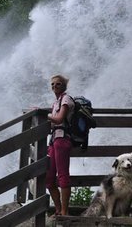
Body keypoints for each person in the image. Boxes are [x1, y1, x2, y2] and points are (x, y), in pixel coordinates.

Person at [45, 74, 75, 216]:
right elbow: (53, 122)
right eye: (52, 84)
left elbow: (59, 119)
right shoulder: (55, 103)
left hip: (63, 139)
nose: (54, 86)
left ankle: (64, 211)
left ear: (64, 86)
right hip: (54, 140)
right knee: (49, 178)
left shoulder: (66, 99)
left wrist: (43, 114)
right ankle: (58, 209)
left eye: (57, 84)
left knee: (63, 175)